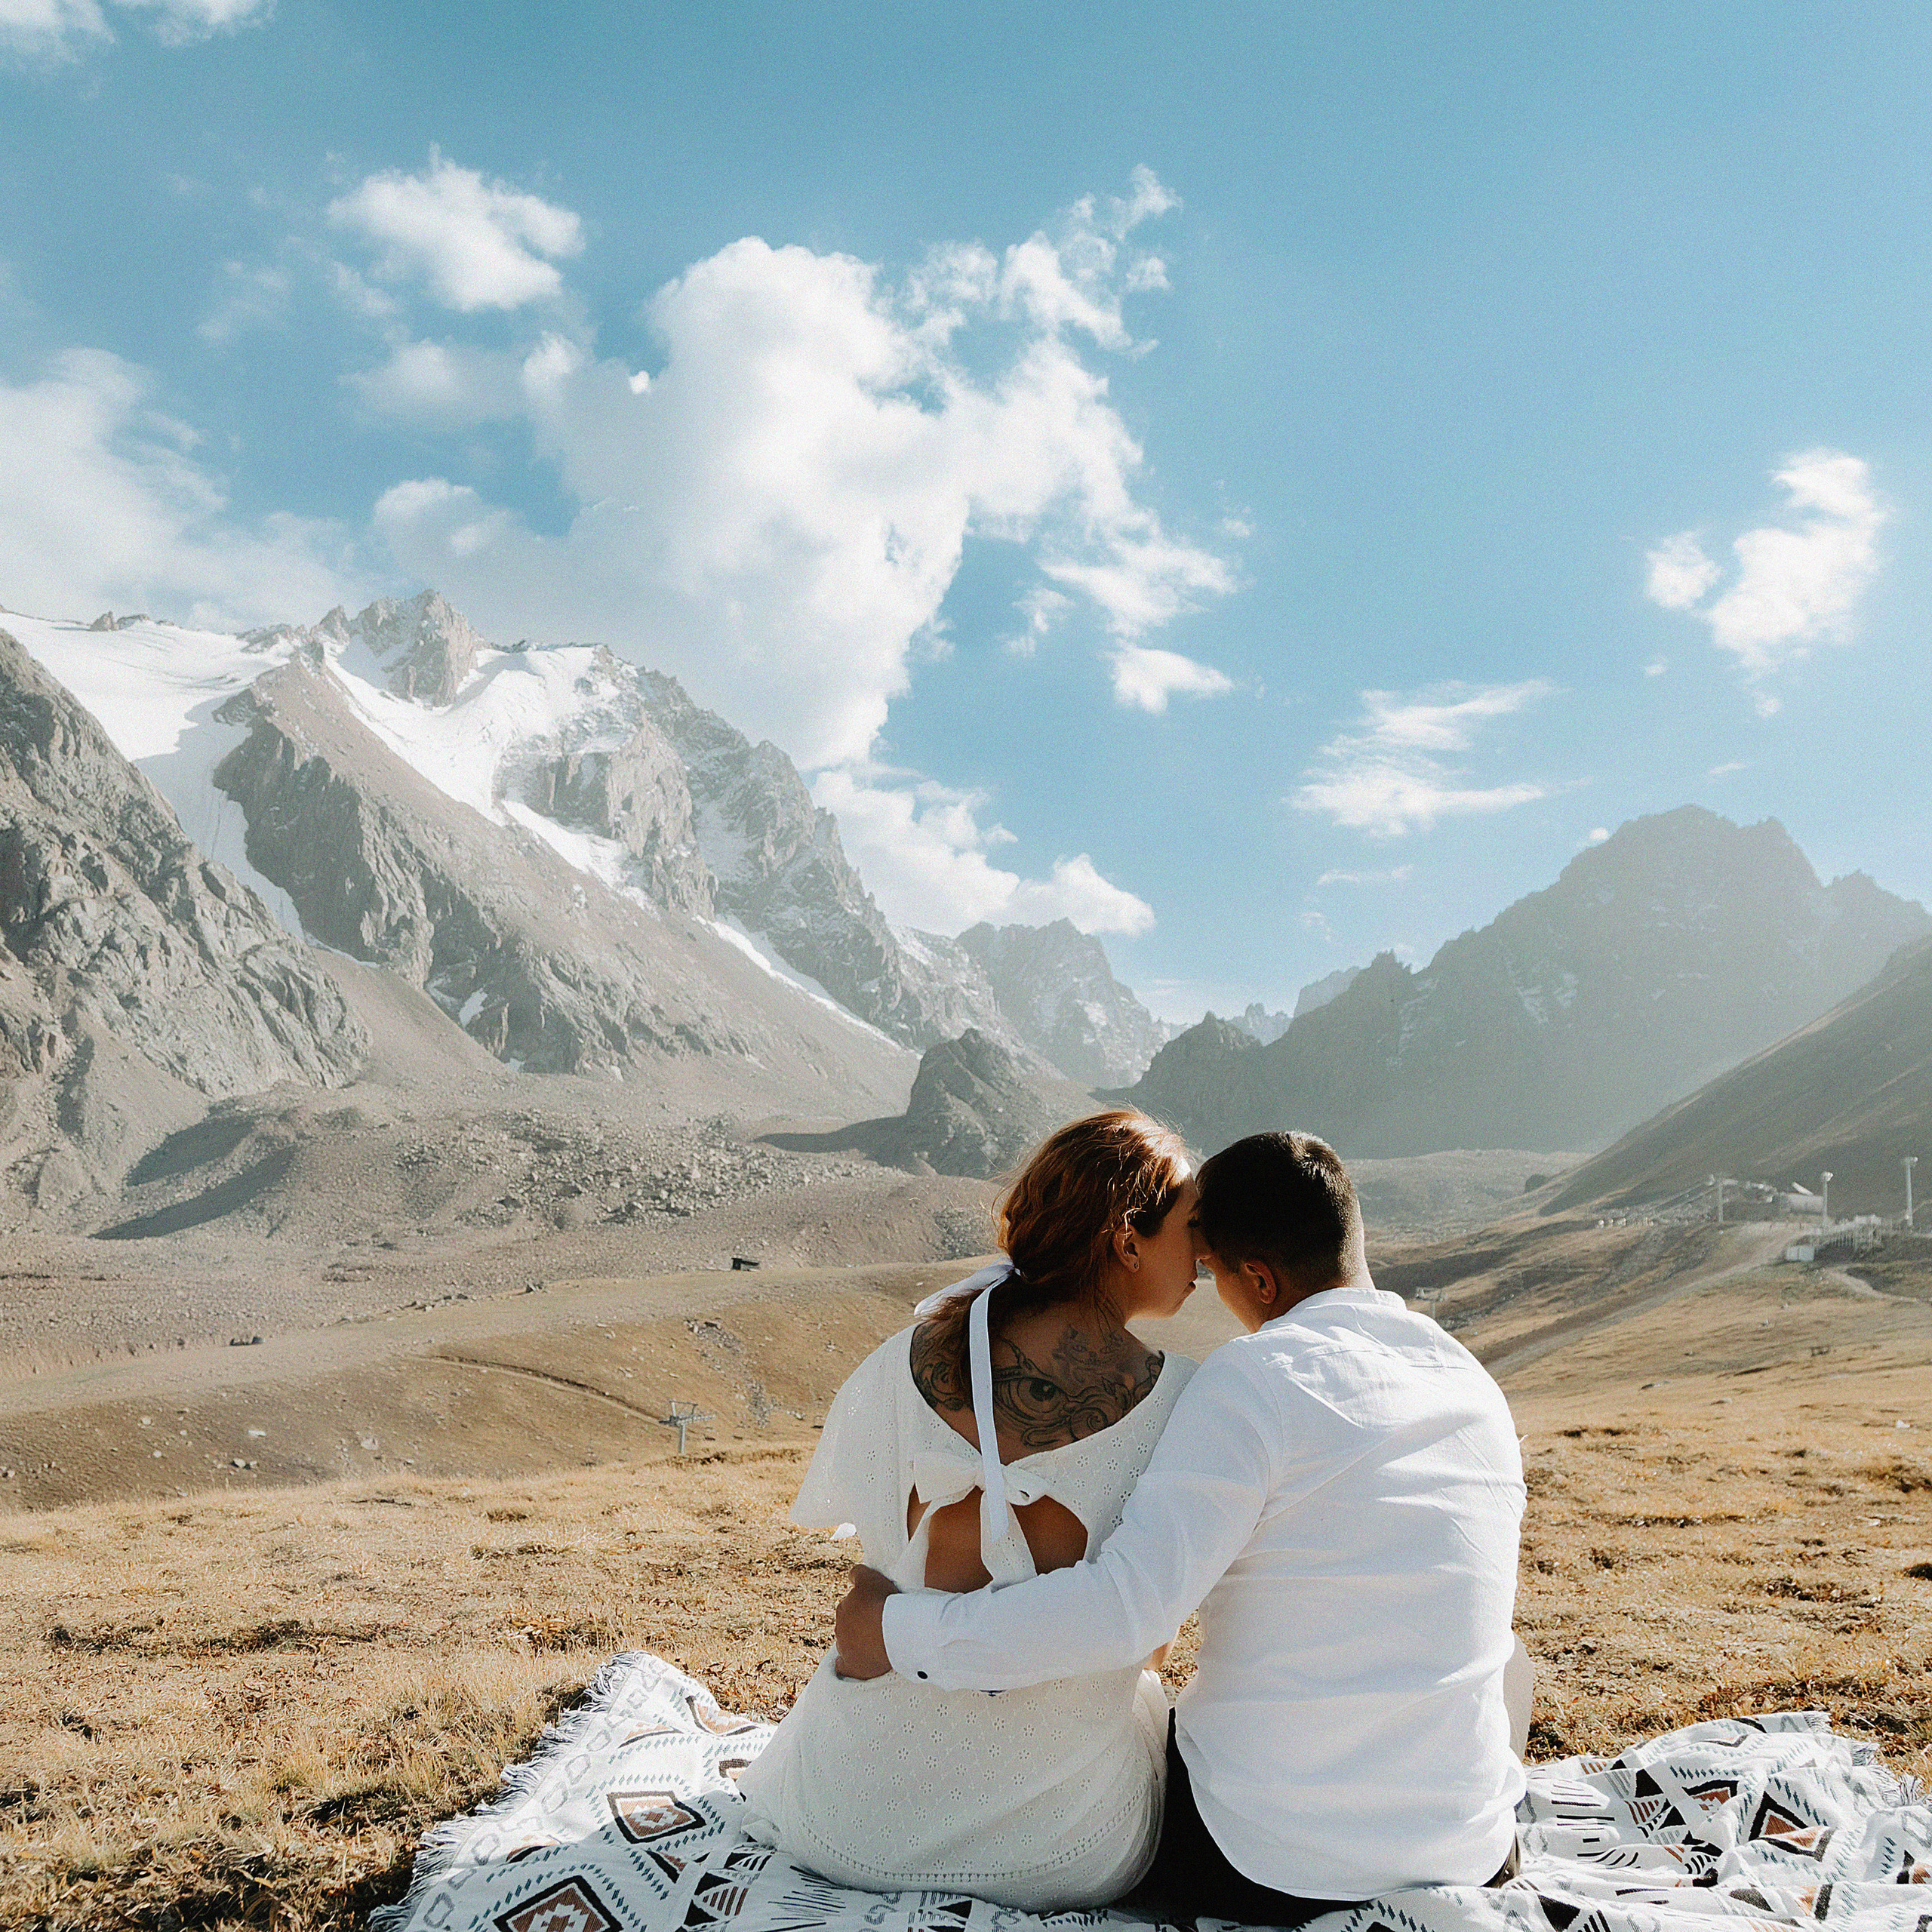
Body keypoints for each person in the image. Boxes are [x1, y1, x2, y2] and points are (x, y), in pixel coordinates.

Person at [835, 1130, 1528, 1927]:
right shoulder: (1471, 1383)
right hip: (1469, 1850)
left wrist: (897, 1631)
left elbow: (1126, 1610)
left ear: (1258, 1279)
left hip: (1269, 1863)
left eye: (1212, 1268)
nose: (1201, 1285)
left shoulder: (1256, 1377)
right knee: (1510, 1661)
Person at [736, 1110, 1204, 1909]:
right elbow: (1150, 1636)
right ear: (1128, 1241)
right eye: (1194, 1229)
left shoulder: (901, 1358)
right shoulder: (1184, 1402)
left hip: (838, 1819)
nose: (1206, 1255)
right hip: (1061, 1850)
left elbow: (869, 1574)